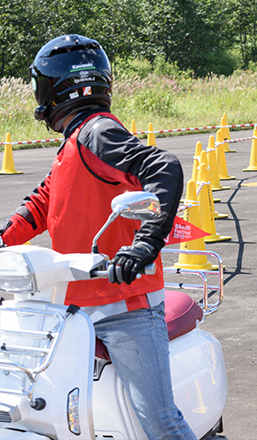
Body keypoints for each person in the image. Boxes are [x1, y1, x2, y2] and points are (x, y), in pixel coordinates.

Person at [0, 35, 195, 440]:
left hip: (126, 306)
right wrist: (4, 237)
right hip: (74, 306)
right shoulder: (74, 143)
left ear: (53, 89)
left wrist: (144, 245)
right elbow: (41, 202)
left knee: (159, 421)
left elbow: (163, 167)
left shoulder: (97, 132)